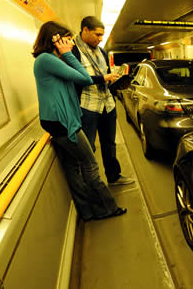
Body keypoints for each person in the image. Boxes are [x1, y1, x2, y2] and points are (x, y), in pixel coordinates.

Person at [32, 21, 127, 221]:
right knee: (90, 164)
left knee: (73, 167)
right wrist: (67, 54)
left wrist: (65, 55)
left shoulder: (49, 60)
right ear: (55, 40)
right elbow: (84, 78)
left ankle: (87, 210)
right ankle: (106, 208)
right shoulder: (47, 59)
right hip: (63, 122)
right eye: (67, 39)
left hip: (58, 120)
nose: (72, 44)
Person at [71, 16, 134, 186]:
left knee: (109, 144)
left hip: (107, 104)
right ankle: (92, 183)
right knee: (89, 148)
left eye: (101, 36)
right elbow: (76, 79)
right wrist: (103, 78)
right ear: (85, 30)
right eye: (97, 35)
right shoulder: (73, 51)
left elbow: (104, 75)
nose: (100, 39)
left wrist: (115, 81)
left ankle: (114, 176)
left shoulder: (102, 52)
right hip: (88, 106)